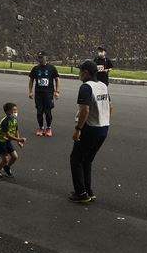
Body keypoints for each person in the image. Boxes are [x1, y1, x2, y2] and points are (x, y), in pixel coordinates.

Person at [69, 60, 112, 203]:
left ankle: (81, 193)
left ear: (86, 73)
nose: (79, 73)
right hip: (104, 127)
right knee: (87, 160)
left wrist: (78, 129)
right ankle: (88, 191)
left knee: (76, 160)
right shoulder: (103, 86)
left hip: (90, 128)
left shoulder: (86, 87)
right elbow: (110, 106)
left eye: (80, 71)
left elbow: (85, 110)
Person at [28, 51, 60, 137]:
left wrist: (57, 91)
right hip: (38, 94)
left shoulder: (51, 68)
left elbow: (57, 79)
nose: (40, 59)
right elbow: (31, 80)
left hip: (48, 94)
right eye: (39, 57)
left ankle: (48, 128)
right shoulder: (35, 68)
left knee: (48, 112)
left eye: (42, 57)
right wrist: (30, 92)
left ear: (46, 57)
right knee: (39, 112)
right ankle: (41, 127)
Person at [0, 102, 26, 180]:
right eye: (14, 110)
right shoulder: (5, 121)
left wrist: (19, 141)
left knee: (15, 156)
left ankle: (7, 168)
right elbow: (7, 135)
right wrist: (19, 139)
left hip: (7, 141)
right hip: (0, 141)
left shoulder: (14, 120)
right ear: (8, 112)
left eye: (16, 110)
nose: (16, 112)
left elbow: (16, 130)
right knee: (5, 159)